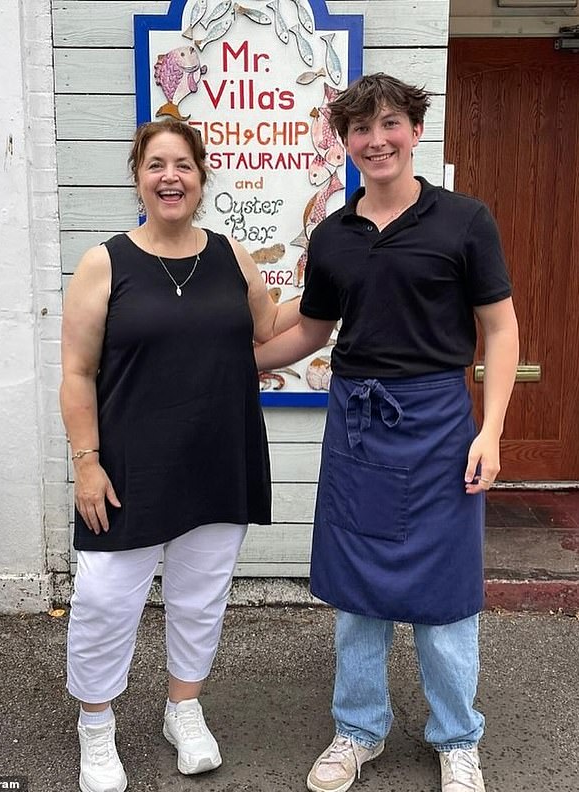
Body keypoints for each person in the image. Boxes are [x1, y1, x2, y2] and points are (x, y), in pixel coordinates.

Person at [255, 73, 519, 792]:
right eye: (361, 129)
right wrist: (230, 365)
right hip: (359, 427)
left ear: (415, 130)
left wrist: (490, 430)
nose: (377, 140)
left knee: (446, 595)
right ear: (345, 142)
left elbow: (499, 330)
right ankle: (357, 731)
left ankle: (458, 738)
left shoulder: (464, 219)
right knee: (357, 591)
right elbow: (311, 328)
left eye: (390, 124)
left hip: (439, 425)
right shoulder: (333, 233)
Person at [59, 118, 300, 792]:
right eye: (156, 164)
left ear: (201, 177)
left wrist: (339, 291)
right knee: (106, 600)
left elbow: (266, 331)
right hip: (129, 468)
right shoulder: (105, 262)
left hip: (217, 455)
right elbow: (76, 373)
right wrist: (86, 461)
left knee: (199, 599)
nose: (170, 176)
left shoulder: (229, 255)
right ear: (138, 175)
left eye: (183, 165)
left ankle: (183, 710)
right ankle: (97, 729)